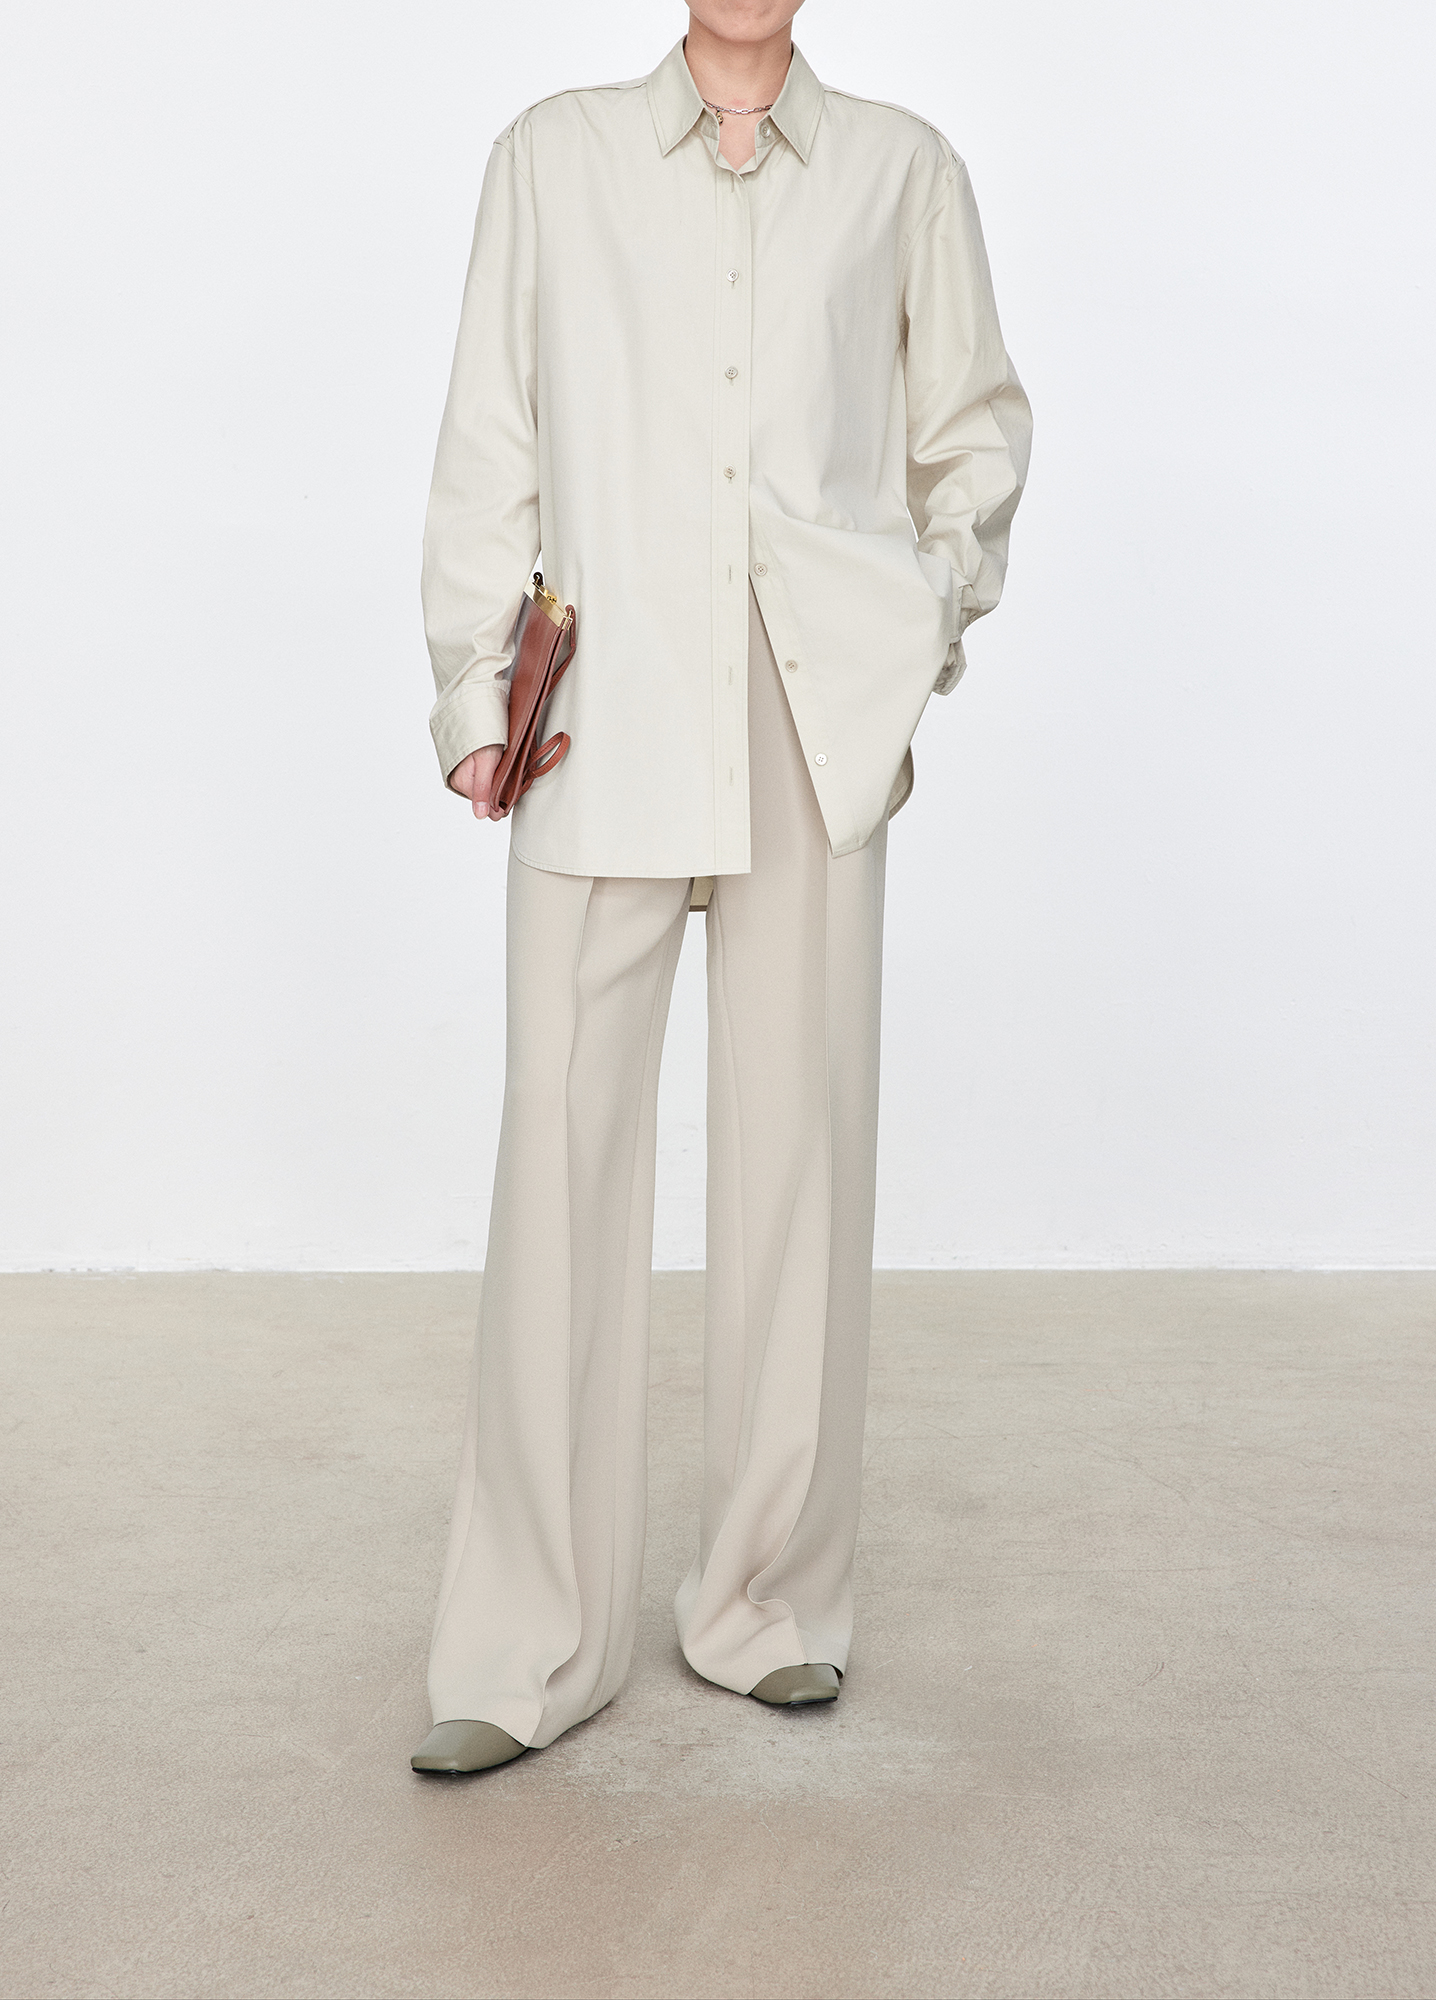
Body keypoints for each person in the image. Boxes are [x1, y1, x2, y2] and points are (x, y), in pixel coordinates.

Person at [412, 0, 1031, 1774]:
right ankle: (526, 1647)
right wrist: (473, 695)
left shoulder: (907, 174)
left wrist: (914, 624)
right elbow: (490, 442)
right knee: (560, 1153)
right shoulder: (553, 158)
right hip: (600, 717)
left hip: (807, 722)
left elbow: (973, 440)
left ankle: (767, 1605)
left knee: (799, 1163)